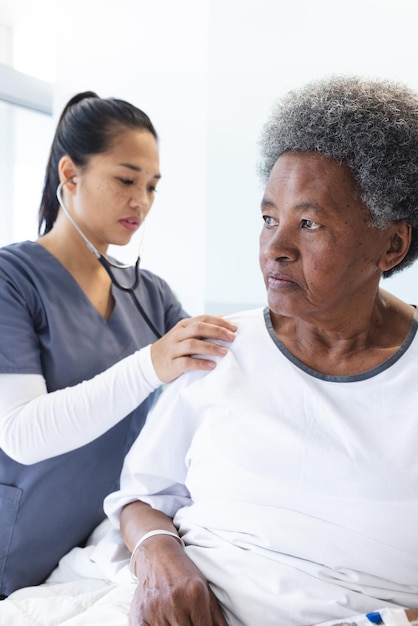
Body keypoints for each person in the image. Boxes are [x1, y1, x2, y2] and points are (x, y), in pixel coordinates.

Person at [102, 76, 418, 626]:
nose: (276, 249)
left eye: (310, 223)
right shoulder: (219, 347)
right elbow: (140, 496)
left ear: (391, 244)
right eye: (269, 218)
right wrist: (159, 554)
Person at [0, 91, 236, 598]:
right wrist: (150, 363)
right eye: (126, 180)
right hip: (15, 548)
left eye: (151, 186)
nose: (142, 201)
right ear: (70, 174)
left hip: (95, 552)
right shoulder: (11, 280)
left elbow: (213, 376)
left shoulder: (150, 295)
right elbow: (20, 433)